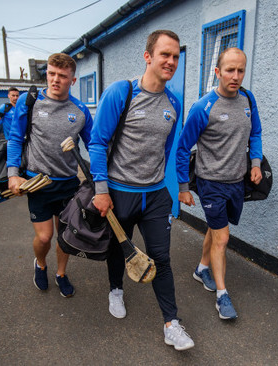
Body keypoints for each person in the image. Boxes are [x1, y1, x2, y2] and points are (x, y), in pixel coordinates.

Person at [89, 30, 194, 351]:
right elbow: (97, 141)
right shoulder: (122, 92)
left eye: (175, 56)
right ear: (148, 56)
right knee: (121, 247)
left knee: (161, 257)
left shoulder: (173, 102)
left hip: (155, 195)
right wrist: (101, 189)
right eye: (165, 54)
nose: (171, 61)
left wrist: (173, 187)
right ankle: (115, 289)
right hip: (119, 192)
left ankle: (171, 324)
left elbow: (167, 149)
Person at [175, 47, 263, 320]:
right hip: (211, 183)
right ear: (217, 72)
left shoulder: (248, 99)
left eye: (240, 70)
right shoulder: (203, 107)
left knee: (216, 231)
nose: (235, 76)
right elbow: (182, 148)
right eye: (229, 70)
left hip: (237, 182)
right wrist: (183, 187)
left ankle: (201, 268)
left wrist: (257, 163)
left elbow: (256, 133)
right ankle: (222, 296)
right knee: (223, 238)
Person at [7, 53, 93, 298]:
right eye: (52, 74)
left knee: (66, 237)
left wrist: (102, 178)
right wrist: (13, 175)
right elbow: (14, 138)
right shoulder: (29, 101)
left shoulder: (80, 111)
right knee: (44, 238)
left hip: (68, 185)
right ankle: (41, 264)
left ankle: (61, 274)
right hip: (38, 184)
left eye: (62, 76)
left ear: (72, 80)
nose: (55, 80)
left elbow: (95, 145)